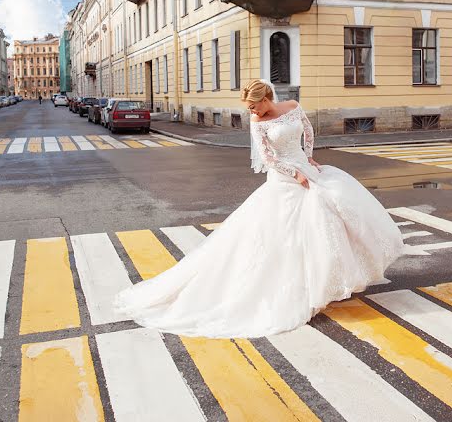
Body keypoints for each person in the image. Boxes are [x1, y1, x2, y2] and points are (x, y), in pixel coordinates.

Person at [113, 79, 404, 338]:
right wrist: (294, 173)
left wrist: (309, 158)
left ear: (267, 98)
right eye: (250, 108)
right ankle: (300, 287)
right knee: (283, 233)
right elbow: (267, 157)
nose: (254, 112)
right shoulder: (256, 122)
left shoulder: (291, 105)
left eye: (257, 106)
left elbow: (307, 129)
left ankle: (331, 281)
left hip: (304, 167)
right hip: (283, 177)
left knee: (330, 220)